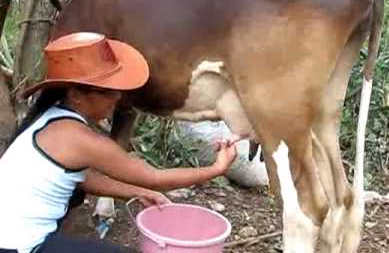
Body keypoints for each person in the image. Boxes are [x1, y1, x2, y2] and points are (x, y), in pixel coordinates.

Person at [0, 32, 237, 253]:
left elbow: (80, 179)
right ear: (76, 95)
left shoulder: (50, 117)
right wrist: (217, 168)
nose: (118, 96)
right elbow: (155, 178)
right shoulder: (80, 139)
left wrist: (135, 192)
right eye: (107, 91)